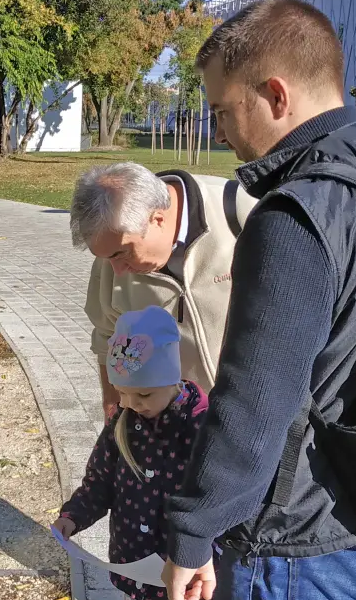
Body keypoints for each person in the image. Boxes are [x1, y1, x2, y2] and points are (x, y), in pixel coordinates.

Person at [159, 0, 356, 600]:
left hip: (300, 542)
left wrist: (192, 536)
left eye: (222, 110)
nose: (218, 130)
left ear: (275, 95)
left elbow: (254, 404)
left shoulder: (296, 214)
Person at [52, 306, 209, 600]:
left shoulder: (199, 429)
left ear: (171, 378)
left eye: (143, 393)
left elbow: (214, 499)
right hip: (135, 569)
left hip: (182, 574)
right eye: (123, 393)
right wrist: (74, 516)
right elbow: (99, 483)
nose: (132, 403)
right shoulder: (122, 425)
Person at [72, 162, 257, 423]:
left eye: (121, 253)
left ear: (158, 219)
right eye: (105, 258)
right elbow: (106, 334)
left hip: (255, 416)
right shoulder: (114, 249)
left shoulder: (243, 211)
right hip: (175, 428)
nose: (118, 270)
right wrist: (114, 405)